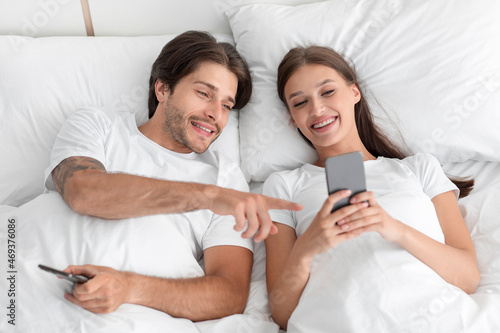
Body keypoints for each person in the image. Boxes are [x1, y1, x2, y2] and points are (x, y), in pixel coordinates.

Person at [44, 31, 302, 321]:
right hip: (37, 291)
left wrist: (129, 287)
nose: (216, 115)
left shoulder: (225, 177)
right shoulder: (99, 126)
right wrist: (207, 196)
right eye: (204, 94)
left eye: (227, 105)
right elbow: (83, 192)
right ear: (163, 89)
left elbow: (230, 294)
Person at [262, 46, 480, 330]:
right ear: (293, 119)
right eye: (300, 102)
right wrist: (306, 249)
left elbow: (468, 277)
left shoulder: (418, 169)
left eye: (327, 92)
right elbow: (281, 312)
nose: (316, 109)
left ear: (354, 92)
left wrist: (394, 228)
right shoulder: (283, 186)